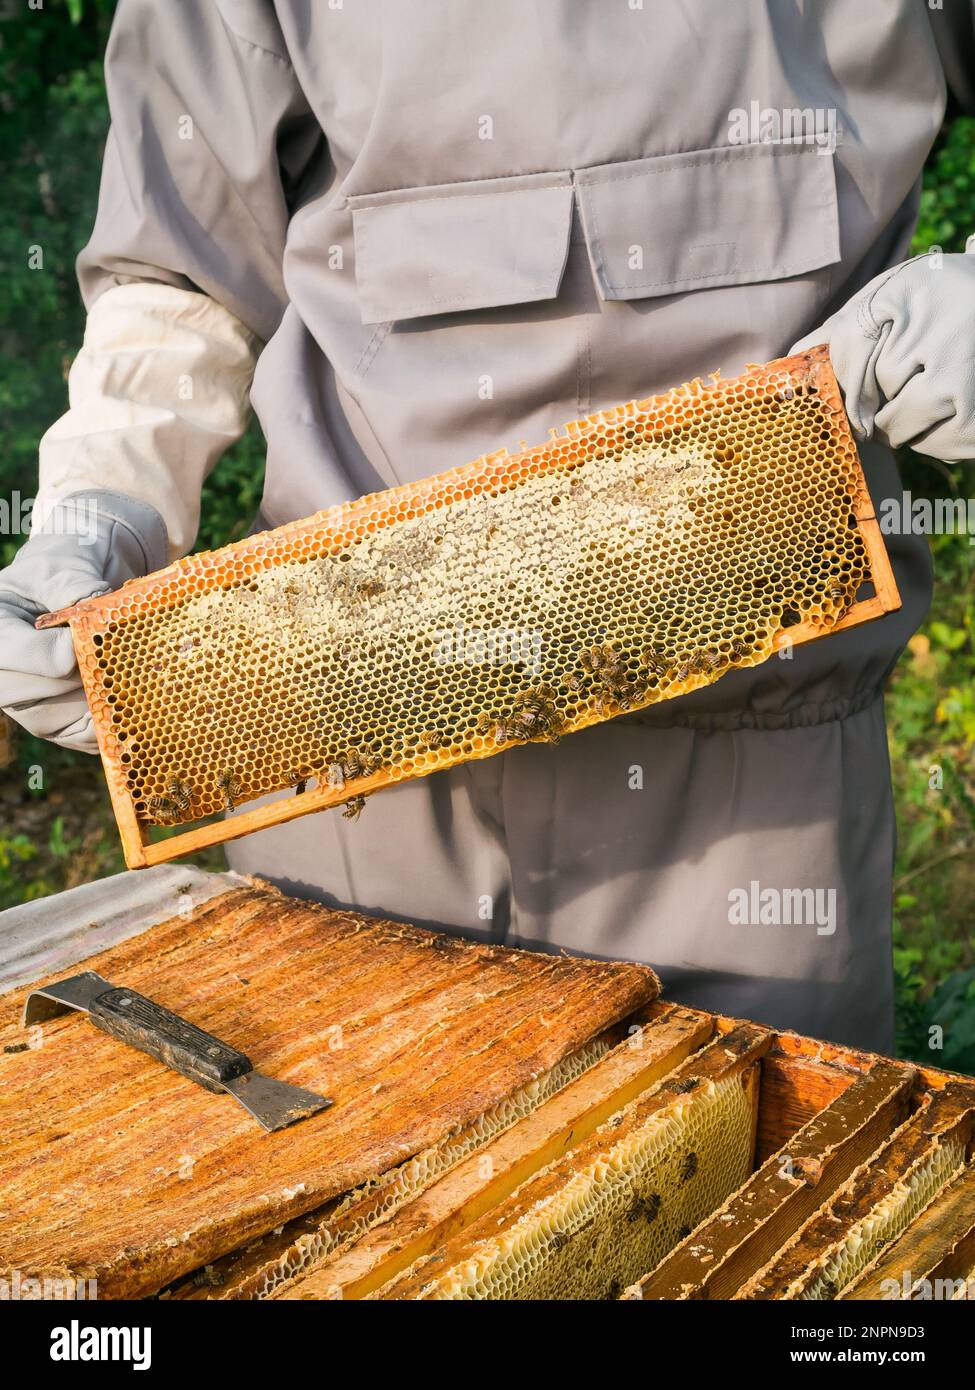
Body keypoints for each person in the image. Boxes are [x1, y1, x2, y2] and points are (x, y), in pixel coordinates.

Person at [2, 0, 974, 1053]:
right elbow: (180, 280)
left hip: (761, 805)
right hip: (352, 778)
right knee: (361, 1205)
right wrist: (95, 509)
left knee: (760, 1188)